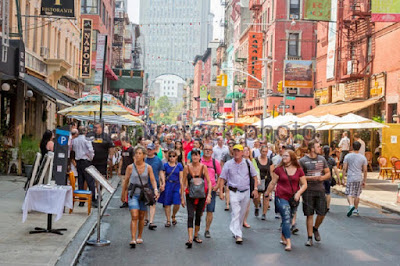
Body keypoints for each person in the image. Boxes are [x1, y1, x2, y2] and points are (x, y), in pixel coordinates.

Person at [265, 150, 307, 251]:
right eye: (283, 156)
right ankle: (288, 242)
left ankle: (283, 236)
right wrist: (267, 193)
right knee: (286, 217)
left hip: (293, 198)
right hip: (281, 196)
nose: (284, 158)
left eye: (286, 156)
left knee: (288, 218)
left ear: (292, 157)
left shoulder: (299, 170)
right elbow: (273, 182)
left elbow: (304, 184)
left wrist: (298, 193)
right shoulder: (279, 169)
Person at [218, 144, 258, 244]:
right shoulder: (228, 164)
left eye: (238, 151)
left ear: (242, 153)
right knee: (236, 212)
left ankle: (237, 229)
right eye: (235, 151)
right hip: (233, 191)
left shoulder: (248, 163)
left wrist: (255, 189)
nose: (236, 153)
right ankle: (238, 234)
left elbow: (254, 176)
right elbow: (222, 178)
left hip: (246, 191)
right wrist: (221, 191)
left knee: (242, 213)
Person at [120, 146, 159, 248]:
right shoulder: (130, 167)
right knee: (134, 215)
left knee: (141, 217)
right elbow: (126, 181)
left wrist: (155, 189)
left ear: (144, 155)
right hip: (133, 194)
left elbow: (153, 180)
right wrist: (123, 193)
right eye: (136, 153)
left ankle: (139, 236)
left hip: (143, 195)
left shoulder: (148, 167)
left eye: (139, 153)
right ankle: (133, 238)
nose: (137, 155)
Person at [299, 140, 331, 247]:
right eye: (318, 146)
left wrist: (321, 177)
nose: (320, 148)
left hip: (320, 189)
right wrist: (312, 178)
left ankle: (315, 228)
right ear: (312, 148)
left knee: (322, 213)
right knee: (309, 214)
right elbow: (300, 177)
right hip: (308, 190)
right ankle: (309, 238)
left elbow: (328, 173)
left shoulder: (322, 159)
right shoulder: (302, 161)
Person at [181, 148, 212, 248]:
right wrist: (182, 197)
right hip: (190, 195)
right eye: (193, 155)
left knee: (198, 215)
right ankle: (190, 238)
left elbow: (209, 181)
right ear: (191, 156)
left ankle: (195, 235)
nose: (195, 157)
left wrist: (209, 195)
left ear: (200, 157)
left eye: (197, 155)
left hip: (201, 195)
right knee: (190, 215)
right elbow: (183, 182)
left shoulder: (203, 167)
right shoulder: (187, 167)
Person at [72, 126, 96, 207]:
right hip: (86, 161)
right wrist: (90, 158)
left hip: (78, 162)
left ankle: (81, 200)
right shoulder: (86, 140)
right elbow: (91, 150)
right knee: (90, 181)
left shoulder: (74, 140)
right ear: (85, 132)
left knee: (81, 181)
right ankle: (93, 199)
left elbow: (74, 150)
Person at [158, 149, 183, 227]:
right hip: (168, 184)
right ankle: (168, 220)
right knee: (167, 203)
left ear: (176, 157)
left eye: (173, 156)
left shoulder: (179, 165)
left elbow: (181, 178)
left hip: (176, 184)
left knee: (177, 203)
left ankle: (174, 215)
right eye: (170, 156)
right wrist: (162, 184)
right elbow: (162, 176)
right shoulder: (165, 165)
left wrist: (182, 188)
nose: (172, 158)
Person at [201, 144, 222, 238]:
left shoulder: (215, 162)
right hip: (199, 189)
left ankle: (207, 229)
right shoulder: (199, 161)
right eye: (206, 149)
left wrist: (218, 186)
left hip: (211, 190)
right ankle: (197, 228)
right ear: (203, 150)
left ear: (212, 151)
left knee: (210, 210)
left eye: (209, 150)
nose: (208, 151)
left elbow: (220, 175)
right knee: (199, 210)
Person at [342, 141, 368, 217]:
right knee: (357, 195)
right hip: (359, 177)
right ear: (360, 148)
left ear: (352, 147)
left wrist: (343, 178)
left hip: (350, 177)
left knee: (349, 193)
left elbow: (344, 168)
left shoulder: (348, 156)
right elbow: (365, 170)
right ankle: (356, 209)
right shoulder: (363, 157)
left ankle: (351, 205)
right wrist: (364, 180)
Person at [145, 142, 165, 229]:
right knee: (144, 202)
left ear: (154, 150)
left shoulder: (158, 160)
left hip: (154, 184)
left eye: (150, 149)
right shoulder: (143, 159)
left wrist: (163, 182)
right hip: (144, 183)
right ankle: (146, 219)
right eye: (148, 149)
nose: (149, 151)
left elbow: (161, 172)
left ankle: (151, 221)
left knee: (152, 202)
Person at [254, 145, 273, 220]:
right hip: (258, 180)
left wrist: (273, 183)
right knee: (256, 198)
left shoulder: (269, 161)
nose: (264, 153)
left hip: (267, 180)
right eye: (263, 151)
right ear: (260, 151)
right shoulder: (255, 160)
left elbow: (272, 172)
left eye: (266, 151)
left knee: (266, 197)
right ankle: (256, 207)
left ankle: (264, 214)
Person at [323, 145, 341, 212]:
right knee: (328, 193)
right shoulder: (332, 160)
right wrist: (338, 179)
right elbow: (336, 170)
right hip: (328, 178)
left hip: (321, 178)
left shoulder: (320, 159)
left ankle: (322, 205)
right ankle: (327, 207)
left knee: (322, 193)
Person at [118, 137, 134, 208]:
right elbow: (121, 159)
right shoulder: (123, 150)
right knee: (124, 186)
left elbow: (134, 160)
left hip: (130, 171)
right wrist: (119, 168)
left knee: (129, 186)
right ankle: (125, 201)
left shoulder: (131, 150)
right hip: (124, 170)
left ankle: (129, 200)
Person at [221, 139, 235, 211]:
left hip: (235, 174)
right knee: (227, 189)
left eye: (232, 146)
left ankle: (232, 202)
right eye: (230, 146)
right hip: (228, 174)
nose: (231, 148)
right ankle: (227, 204)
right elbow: (222, 162)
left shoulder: (237, 155)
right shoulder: (226, 155)